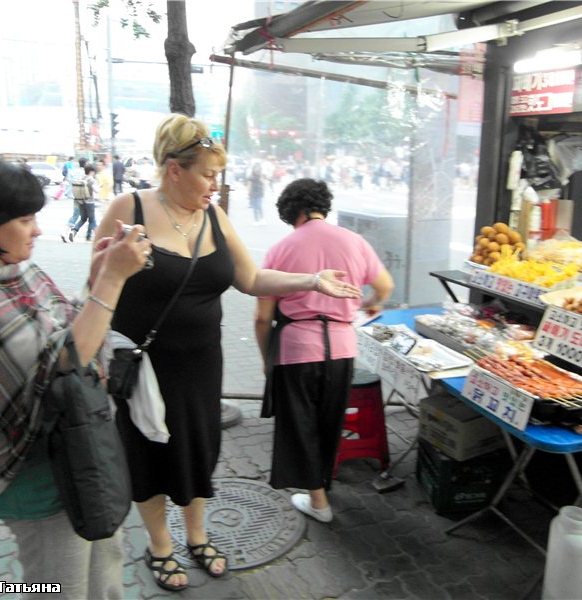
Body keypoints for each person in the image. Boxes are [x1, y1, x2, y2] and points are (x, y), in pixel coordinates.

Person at [93, 113, 362, 592]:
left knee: (198, 452)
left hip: (201, 367)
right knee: (149, 456)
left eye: (218, 174)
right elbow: (95, 290)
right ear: (175, 169)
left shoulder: (214, 216)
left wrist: (312, 280)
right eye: (207, 173)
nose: (214, 184)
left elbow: (252, 279)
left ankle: (196, 536)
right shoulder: (125, 209)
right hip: (143, 368)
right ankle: (160, 546)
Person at [0, 156, 151, 598]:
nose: (37, 230)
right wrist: (110, 282)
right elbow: (62, 365)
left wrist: (97, 277)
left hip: (85, 453)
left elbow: (73, 329)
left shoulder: (18, 271)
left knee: (106, 576)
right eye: (26, 219)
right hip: (37, 471)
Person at [255, 178, 393, 523]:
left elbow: (262, 317)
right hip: (343, 348)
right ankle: (322, 487)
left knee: (300, 425)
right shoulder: (355, 241)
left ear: (292, 211)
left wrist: (264, 359)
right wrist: (373, 305)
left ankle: (318, 502)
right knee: (329, 421)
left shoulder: (280, 249)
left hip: (296, 350)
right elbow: (385, 286)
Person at [70, 165, 98, 242]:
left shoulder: (81, 179)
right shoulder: (92, 180)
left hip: (81, 202)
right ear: (91, 172)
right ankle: (97, 236)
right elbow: (96, 190)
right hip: (90, 202)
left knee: (83, 219)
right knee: (92, 220)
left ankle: (74, 231)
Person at [61, 158, 87, 243]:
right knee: (86, 216)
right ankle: (67, 232)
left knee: (76, 215)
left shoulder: (74, 171)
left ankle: (67, 232)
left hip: (75, 195)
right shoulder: (85, 173)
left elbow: (70, 181)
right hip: (83, 197)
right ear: (85, 163)